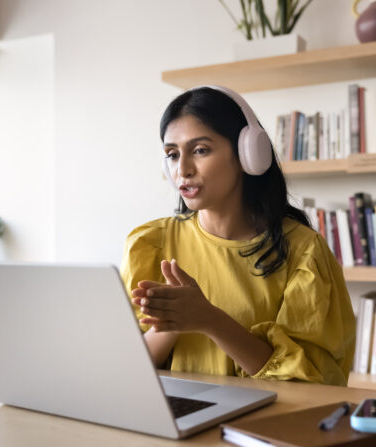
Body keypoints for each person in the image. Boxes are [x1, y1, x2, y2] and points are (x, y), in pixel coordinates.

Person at [120, 86, 355, 386]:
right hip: (179, 422)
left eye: (200, 150)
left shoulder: (304, 252)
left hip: (266, 425)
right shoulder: (149, 244)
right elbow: (128, 371)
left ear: (248, 154)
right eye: (172, 154)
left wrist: (209, 319)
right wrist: (173, 322)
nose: (183, 169)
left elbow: (310, 382)